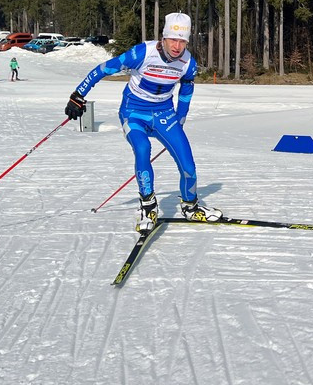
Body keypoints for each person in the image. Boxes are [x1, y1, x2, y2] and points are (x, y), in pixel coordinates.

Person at [64, 12, 220, 231]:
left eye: (182, 41)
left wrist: (180, 118)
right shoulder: (142, 53)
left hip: (164, 114)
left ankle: (190, 206)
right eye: (173, 40)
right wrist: (78, 95)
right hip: (134, 112)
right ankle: (148, 206)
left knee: (188, 165)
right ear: (163, 38)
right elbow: (104, 68)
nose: (177, 46)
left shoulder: (188, 63)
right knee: (143, 148)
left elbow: (186, 89)